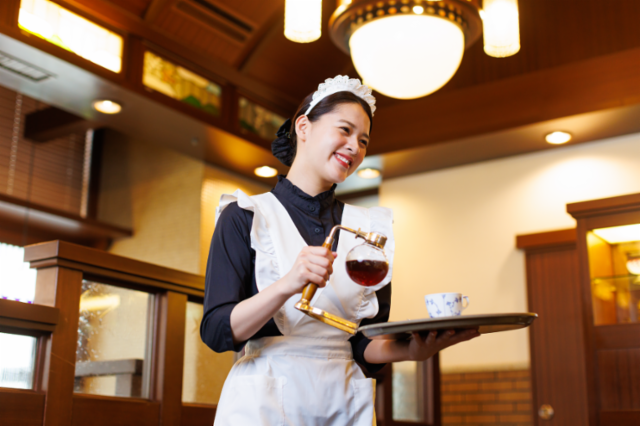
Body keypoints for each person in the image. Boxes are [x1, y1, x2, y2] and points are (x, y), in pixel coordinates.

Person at [201, 75, 480, 425]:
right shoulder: (245, 215)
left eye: (363, 140)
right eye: (345, 130)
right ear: (304, 127)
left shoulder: (370, 229)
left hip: (344, 400)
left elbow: (363, 342)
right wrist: (288, 283)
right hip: (265, 399)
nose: (355, 147)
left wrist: (411, 350)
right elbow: (216, 329)